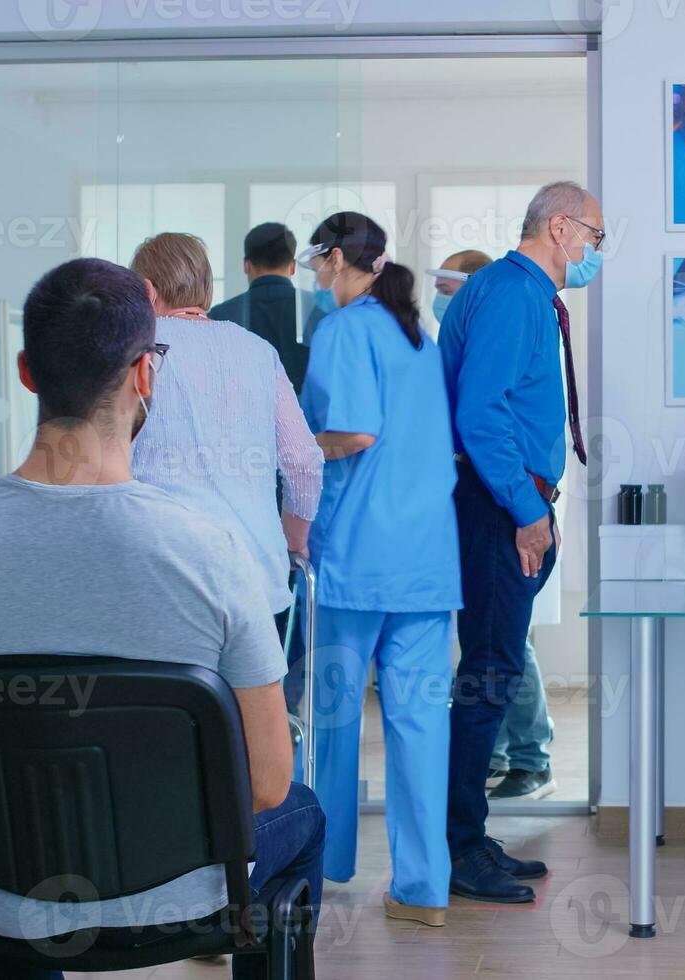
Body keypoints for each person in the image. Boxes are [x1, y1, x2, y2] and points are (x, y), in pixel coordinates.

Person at [0, 258, 323, 979]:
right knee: (302, 814)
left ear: (26, 372)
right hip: (177, 897)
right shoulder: (210, 552)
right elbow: (266, 782)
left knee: (17, 855)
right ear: (147, 375)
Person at [438, 180, 602, 902]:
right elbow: (480, 415)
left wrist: (540, 501)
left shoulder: (521, 293)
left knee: (495, 671)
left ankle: (469, 835)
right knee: (488, 677)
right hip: (495, 507)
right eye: (596, 236)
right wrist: (523, 509)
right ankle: (459, 848)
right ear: (562, 228)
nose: (597, 251)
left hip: (514, 501)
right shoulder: (511, 293)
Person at [298, 212, 462, 927]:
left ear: (336, 259)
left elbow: (356, 433)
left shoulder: (342, 330)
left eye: (316, 260)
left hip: (360, 557)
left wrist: (299, 449)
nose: (312, 272)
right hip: (426, 556)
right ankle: (424, 890)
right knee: (420, 723)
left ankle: (322, 867)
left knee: (335, 716)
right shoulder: (414, 334)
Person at [128, 232, 323, 723]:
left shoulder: (134, 354)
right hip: (253, 571)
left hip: (160, 574)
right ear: (207, 290)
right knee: (249, 730)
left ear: (147, 292)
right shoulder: (256, 351)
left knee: (167, 722)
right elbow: (303, 458)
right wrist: (291, 540)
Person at [209, 222, 327, 393]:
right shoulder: (317, 309)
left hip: (243, 417)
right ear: (293, 266)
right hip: (306, 417)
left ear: (246, 265)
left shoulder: (221, 315)